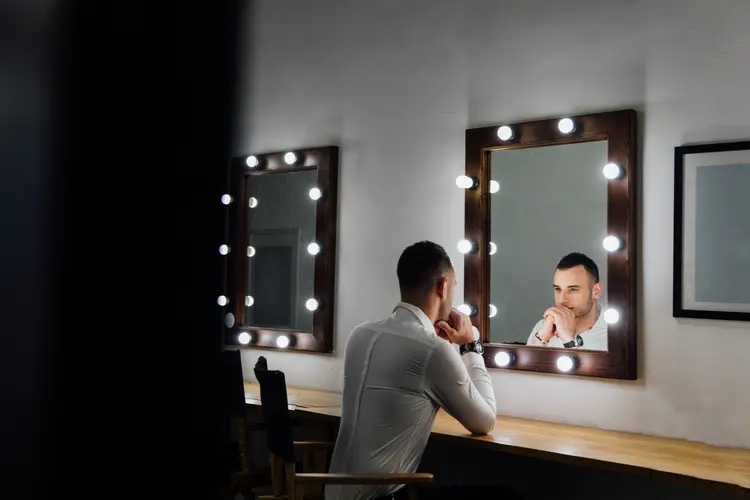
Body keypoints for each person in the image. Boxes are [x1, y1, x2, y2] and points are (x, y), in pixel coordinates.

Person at [325, 241, 497, 500]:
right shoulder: (433, 350)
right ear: (443, 286)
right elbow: (485, 422)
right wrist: (471, 346)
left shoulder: (360, 334)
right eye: (454, 287)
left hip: (331, 493)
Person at [526, 252, 607, 351]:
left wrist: (568, 339)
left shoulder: (617, 335)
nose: (562, 300)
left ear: (596, 291)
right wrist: (541, 339)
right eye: (557, 289)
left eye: (572, 289)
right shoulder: (542, 327)